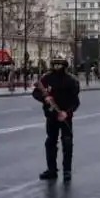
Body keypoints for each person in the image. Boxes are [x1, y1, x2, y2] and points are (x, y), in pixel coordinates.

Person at [32, 53, 81, 182]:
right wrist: (45, 98)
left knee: (67, 142)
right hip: (51, 115)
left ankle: (67, 171)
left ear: (65, 65)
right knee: (50, 142)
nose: (57, 66)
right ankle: (52, 170)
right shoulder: (46, 78)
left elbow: (75, 102)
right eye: (55, 64)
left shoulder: (71, 80)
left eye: (60, 64)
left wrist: (67, 112)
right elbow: (36, 92)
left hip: (65, 116)